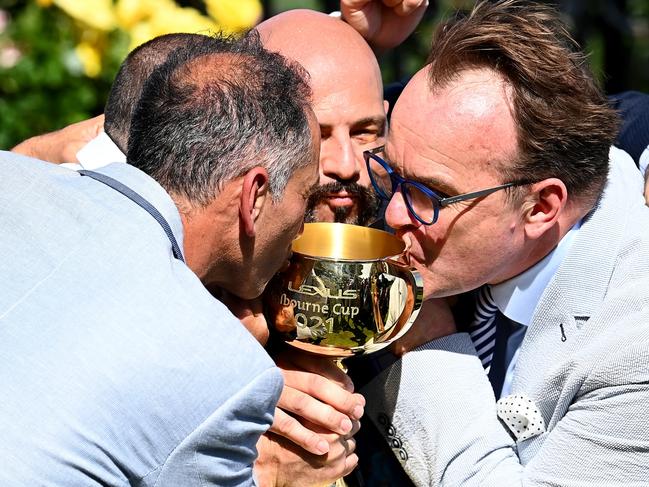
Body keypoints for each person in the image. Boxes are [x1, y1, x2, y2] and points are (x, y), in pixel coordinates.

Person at [0, 32, 320, 486]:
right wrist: (269, 476)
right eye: (306, 199)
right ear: (254, 196)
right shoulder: (226, 373)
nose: (304, 225)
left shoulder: (10, 173)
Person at [355, 1, 649, 485]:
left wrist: (429, 345)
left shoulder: (632, 349)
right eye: (391, 172)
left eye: (431, 195)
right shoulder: (439, 195)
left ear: (541, 208)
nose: (390, 213)